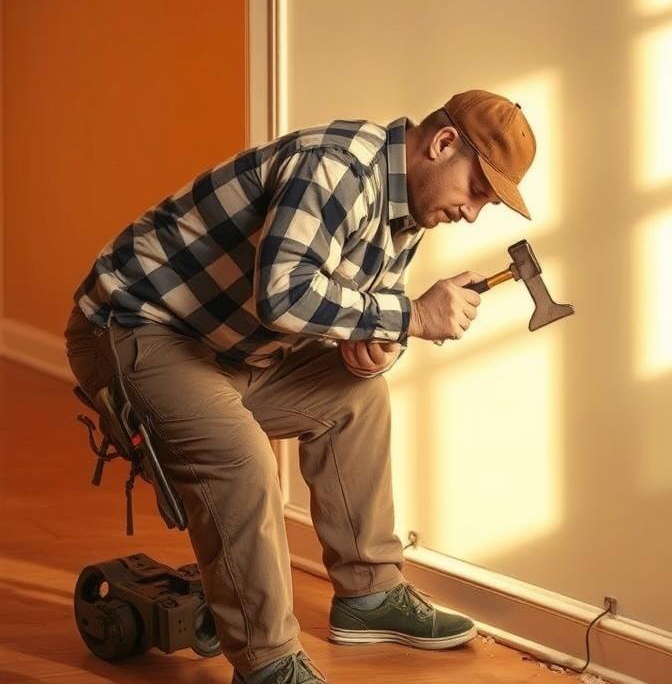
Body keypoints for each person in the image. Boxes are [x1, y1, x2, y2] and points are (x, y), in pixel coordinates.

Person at [63, 89, 536, 684]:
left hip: (232, 348)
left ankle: (369, 594)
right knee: (240, 459)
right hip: (136, 328)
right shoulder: (338, 167)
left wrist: (372, 353)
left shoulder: (405, 215)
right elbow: (285, 293)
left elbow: (353, 321)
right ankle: (267, 664)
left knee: (356, 397)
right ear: (442, 144)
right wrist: (409, 315)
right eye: (477, 190)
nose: (472, 212)